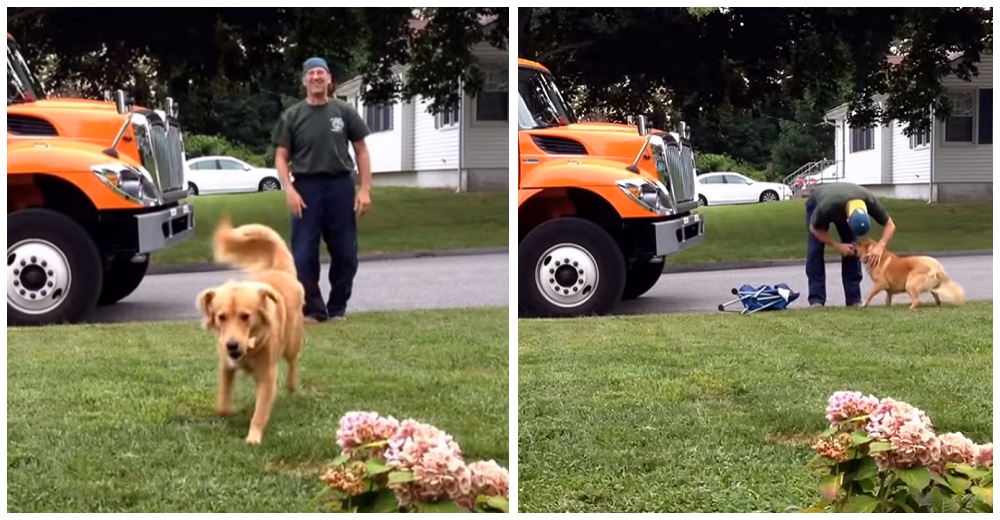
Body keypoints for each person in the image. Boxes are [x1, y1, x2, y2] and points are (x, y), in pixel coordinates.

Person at [271, 57, 372, 323]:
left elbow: (361, 150)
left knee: (346, 253)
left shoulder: (344, 112)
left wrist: (364, 190)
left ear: (329, 79)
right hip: (306, 189)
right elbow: (281, 156)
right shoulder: (292, 116)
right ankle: (314, 310)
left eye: (321, 73)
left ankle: (337, 308)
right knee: (304, 254)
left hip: (340, 187)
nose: (316, 77)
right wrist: (289, 190)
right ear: (304, 80)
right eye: (311, 73)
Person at [805, 183, 896, 308]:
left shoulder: (870, 201)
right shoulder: (827, 207)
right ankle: (816, 300)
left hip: (845, 200)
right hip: (818, 201)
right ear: (847, 219)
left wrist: (880, 246)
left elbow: (890, 225)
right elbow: (814, 229)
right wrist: (837, 245)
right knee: (815, 251)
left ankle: (853, 299)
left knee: (853, 249)